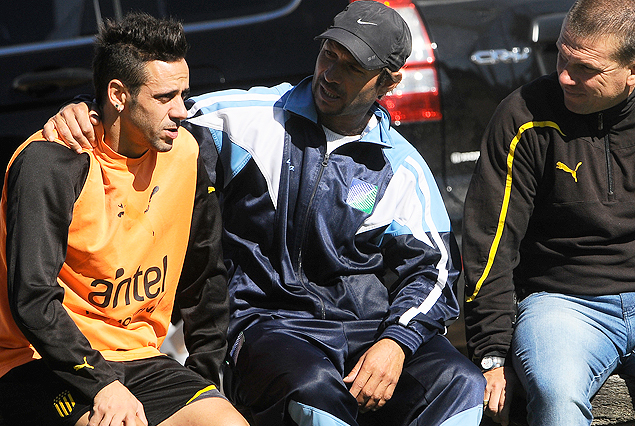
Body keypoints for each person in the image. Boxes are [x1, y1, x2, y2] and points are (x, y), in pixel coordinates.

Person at [43, 2, 486, 426]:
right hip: (268, 322)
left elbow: (435, 272)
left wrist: (395, 342)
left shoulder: (402, 168)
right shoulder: (245, 119)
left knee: (460, 384)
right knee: (313, 393)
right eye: (327, 54)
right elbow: (146, 116)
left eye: (351, 67)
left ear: (388, 83)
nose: (329, 74)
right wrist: (89, 108)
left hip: (368, 326)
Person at [0, 12, 248, 426]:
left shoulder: (186, 153)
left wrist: (203, 377)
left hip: (139, 356)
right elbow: (32, 300)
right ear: (117, 94)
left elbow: (204, 280)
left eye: (183, 94)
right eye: (164, 97)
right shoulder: (52, 161)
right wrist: (101, 386)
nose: (181, 111)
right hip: (40, 360)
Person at [461, 0, 635, 425]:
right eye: (562, 56)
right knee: (556, 397)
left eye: (586, 70)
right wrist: (491, 349)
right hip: (563, 303)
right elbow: (490, 239)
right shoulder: (523, 115)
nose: (564, 76)